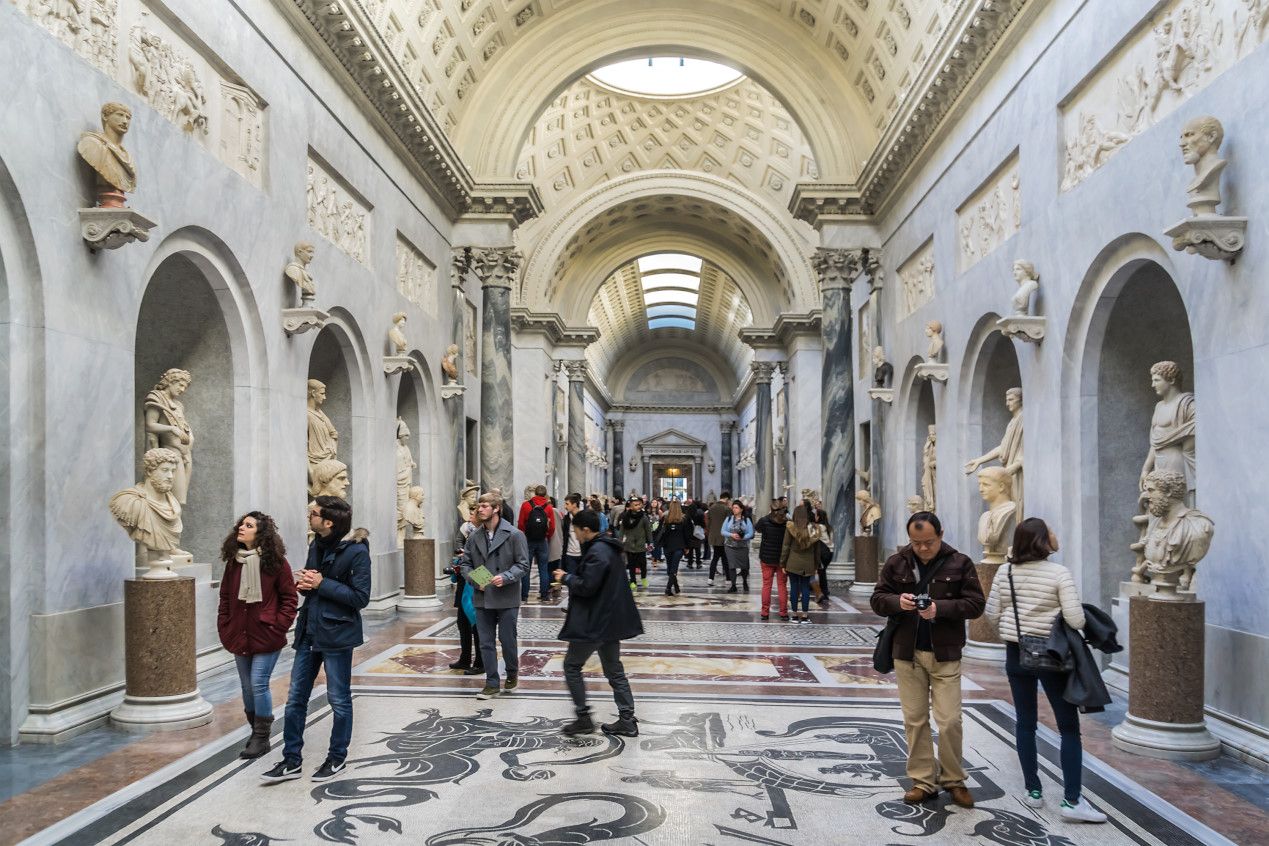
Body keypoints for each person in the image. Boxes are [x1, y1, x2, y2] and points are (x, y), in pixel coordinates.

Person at [984, 518, 1107, 824]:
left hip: (1018, 653)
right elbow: (1076, 620)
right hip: (1053, 655)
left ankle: (1033, 791)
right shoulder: (1058, 573)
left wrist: (1012, 633)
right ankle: (1072, 801)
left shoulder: (1006, 571)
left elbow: (990, 613)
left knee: (1025, 722)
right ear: (1042, 541)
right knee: (1068, 727)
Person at [870, 511, 984, 808]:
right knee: (915, 720)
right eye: (916, 542)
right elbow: (878, 599)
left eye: (928, 542)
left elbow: (975, 605)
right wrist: (899, 602)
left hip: (944, 654)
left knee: (949, 721)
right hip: (906, 655)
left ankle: (954, 780)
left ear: (941, 534)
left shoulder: (960, 563)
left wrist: (940, 609)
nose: (922, 548)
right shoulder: (898, 562)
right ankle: (923, 781)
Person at [261, 496, 370, 784]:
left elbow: (360, 598)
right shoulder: (315, 544)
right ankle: (291, 759)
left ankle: (337, 757)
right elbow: (315, 586)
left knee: (339, 699)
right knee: (295, 698)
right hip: (309, 630)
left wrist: (322, 583)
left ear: (329, 521)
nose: (309, 516)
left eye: (314, 513)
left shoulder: (357, 552)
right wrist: (307, 585)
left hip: (337, 633)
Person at [553, 510, 643, 737]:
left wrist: (566, 578)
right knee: (614, 670)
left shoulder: (598, 552)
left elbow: (587, 586)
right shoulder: (607, 547)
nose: (574, 534)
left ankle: (583, 717)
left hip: (595, 622)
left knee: (571, 666)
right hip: (609, 621)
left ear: (585, 529)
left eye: (575, 529)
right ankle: (627, 719)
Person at [217, 511, 297, 760]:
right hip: (239, 633)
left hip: (266, 635)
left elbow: (289, 599)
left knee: (258, 683)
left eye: (248, 525)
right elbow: (226, 598)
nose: (241, 527)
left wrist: (278, 626)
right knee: (246, 686)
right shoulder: (234, 562)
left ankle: (262, 737)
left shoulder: (276, 562)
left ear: (260, 532)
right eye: (241, 524)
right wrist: (225, 625)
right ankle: (255, 732)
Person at [460, 491, 530, 700]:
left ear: (496, 508)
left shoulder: (514, 534)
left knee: (507, 639)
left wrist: (506, 576)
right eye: (478, 506)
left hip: (506, 595)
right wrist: (475, 580)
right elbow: (465, 564)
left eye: (484, 505)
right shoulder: (474, 536)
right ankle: (491, 682)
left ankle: (512, 673)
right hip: (482, 596)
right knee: (485, 641)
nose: (479, 509)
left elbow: (523, 564)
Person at [448, 507, 482, 675]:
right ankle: (465, 658)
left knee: (477, 623)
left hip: (478, 582)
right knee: (462, 622)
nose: (469, 516)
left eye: (473, 513)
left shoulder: (482, 535)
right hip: (465, 581)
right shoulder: (469, 531)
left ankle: (481, 661)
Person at [780, 502, 819, 624]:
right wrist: (817, 564)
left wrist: (782, 563)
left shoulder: (791, 527)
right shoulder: (813, 528)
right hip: (808, 562)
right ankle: (805, 615)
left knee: (794, 588)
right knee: (805, 588)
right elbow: (817, 550)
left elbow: (785, 546)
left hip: (793, 561)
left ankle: (795, 615)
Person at [517, 484, 556, 602]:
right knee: (543, 569)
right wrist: (546, 536)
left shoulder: (525, 505)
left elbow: (520, 524)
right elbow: (552, 527)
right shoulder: (549, 507)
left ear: (535, 493)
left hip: (528, 540)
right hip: (542, 541)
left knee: (526, 568)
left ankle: (524, 595)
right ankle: (544, 595)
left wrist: (524, 535)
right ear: (545, 494)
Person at [754, 503, 789, 621]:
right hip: (782, 559)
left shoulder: (764, 520)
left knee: (767, 585)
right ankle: (783, 613)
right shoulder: (787, 522)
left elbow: (757, 528)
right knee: (782, 586)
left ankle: (764, 612)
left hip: (766, 558)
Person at [653, 500, 692, 595]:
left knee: (670, 568)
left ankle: (671, 588)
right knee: (673, 568)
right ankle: (671, 587)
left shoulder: (665, 518)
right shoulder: (685, 519)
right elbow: (688, 535)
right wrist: (687, 547)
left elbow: (657, 530)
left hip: (667, 546)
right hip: (679, 546)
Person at [618, 496, 652, 590]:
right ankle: (633, 581)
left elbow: (648, 531)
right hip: (629, 545)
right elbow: (622, 530)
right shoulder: (625, 517)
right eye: (635, 505)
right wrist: (620, 542)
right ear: (631, 507)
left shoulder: (643, 517)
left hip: (640, 544)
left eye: (639, 504)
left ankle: (644, 577)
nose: (638, 506)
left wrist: (650, 542)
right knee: (631, 564)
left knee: (643, 564)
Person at [721, 499, 754, 593]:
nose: (734, 509)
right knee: (732, 566)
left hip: (743, 547)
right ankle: (733, 585)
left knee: (744, 566)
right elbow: (723, 531)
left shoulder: (747, 520)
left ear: (741, 509)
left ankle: (744, 582)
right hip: (730, 546)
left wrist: (742, 538)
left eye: (736, 508)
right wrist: (731, 535)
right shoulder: (728, 519)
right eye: (733, 508)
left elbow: (751, 533)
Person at [705, 492, 732, 586]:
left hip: (713, 536)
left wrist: (710, 532)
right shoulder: (727, 509)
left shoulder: (711, 508)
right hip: (724, 536)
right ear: (727, 499)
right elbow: (730, 524)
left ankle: (711, 578)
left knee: (717, 557)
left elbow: (708, 523)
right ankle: (728, 578)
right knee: (723, 557)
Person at [546, 496, 564, 600]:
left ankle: (549, 588)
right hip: (559, 542)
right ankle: (556, 588)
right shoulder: (559, 513)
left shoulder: (549, 511)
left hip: (550, 543)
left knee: (549, 568)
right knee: (557, 567)